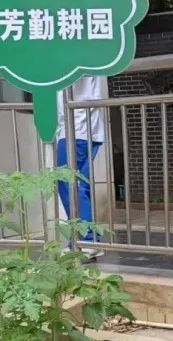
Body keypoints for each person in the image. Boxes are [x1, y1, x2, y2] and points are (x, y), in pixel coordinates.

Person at [56, 76, 105, 259]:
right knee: (77, 186)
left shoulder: (72, 53)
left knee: (69, 184)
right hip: (81, 129)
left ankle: (87, 239)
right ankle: (86, 240)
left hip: (76, 129)